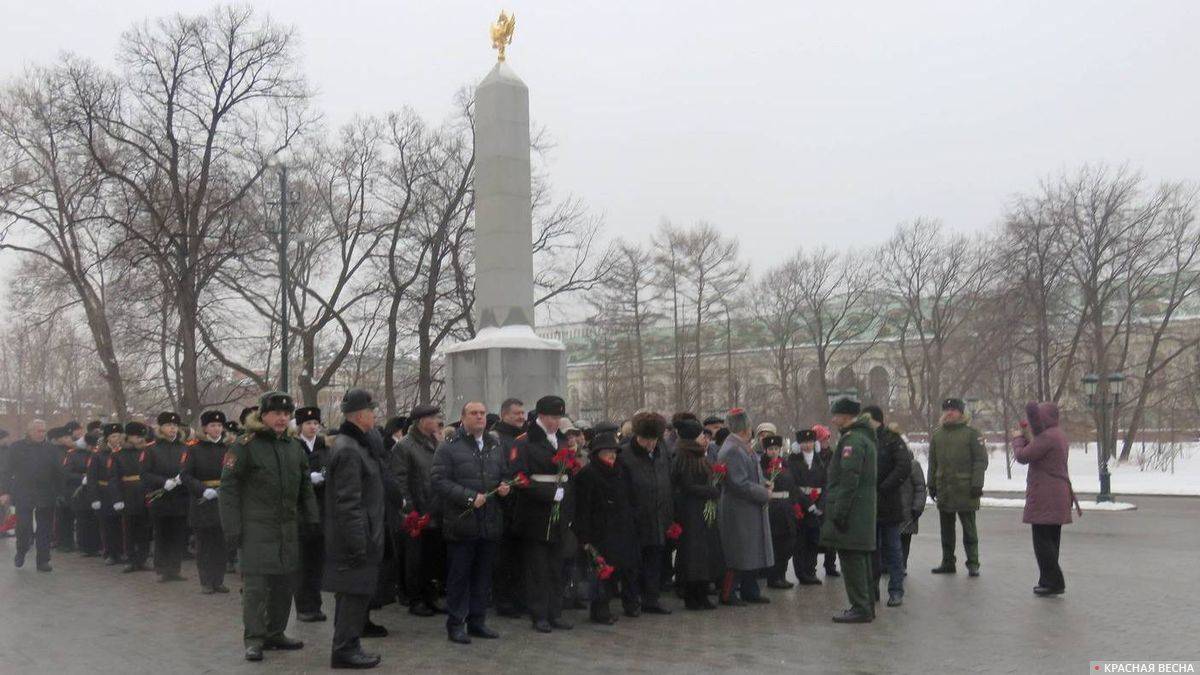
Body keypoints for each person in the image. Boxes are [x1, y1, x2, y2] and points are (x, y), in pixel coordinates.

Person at [220, 391, 319, 662]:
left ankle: (275, 633)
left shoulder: (293, 446)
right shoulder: (244, 445)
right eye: (276, 413)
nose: (282, 418)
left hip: (287, 529)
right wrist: (232, 528)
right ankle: (254, 638)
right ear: (263, 415)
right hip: (256, 529)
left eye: (286, 414)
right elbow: (228, 490)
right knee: (256, 588)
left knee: (284, 584)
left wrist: (311, 518)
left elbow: (305, 486)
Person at [430, 401, 508, 643]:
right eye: (474, 413)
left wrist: (505, 485)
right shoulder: (449, 447)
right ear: (463, 418)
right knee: (459, 577)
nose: (479, 417)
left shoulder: (495, 445)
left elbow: (503, 472)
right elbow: (439, 480)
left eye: (482, 413)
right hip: (462, 522)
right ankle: (456, 624)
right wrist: (468, 497)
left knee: (483, 576)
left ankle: (477, 621)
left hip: (489, 521)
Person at [322, 389, 386, 670]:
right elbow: (348, 503)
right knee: (353, 595)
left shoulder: (356, 444)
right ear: (361, 416)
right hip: (355, 538)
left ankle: (349, 644)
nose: (375, 415)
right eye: (372, 411)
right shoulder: (349, 449)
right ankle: (345, 649)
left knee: (354, 595)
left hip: (361, 533)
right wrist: (359, 543)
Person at [511, 395, 575, 633]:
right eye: (551, 417)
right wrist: (548, 494)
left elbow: (570, 475)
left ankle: (555, 612)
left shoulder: (562, 441)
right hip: (535, 514)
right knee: (538, 568)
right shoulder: (524, 442)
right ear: (540, 416)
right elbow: (519, 478)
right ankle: (539, 614)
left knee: (556, 566)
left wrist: (568, 504)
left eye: (558, 417)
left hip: (559, 513)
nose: (555, 422)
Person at [820, 398, 877, 624]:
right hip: (862, 510)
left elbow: (848, 479)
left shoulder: (852, 441)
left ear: (845, 416)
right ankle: (866, 605)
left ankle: (860, 606)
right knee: (861, 559)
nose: (833, 419)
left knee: (852, 560)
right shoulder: (865, 437)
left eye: (836, 415)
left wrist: (840, 512)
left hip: (852, 512)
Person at [573, 430, 640, 624]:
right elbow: (582, 508)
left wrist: (633, 516)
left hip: (623, 528)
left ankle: (626, 603)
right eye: (606, 451)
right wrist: (584, 538)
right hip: (599, 531)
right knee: (602, 572)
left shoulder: (622, 470)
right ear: (596, 454)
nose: (611, 455)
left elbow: (632, 496)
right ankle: (600, 610)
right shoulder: (588, 474)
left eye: (614, 451)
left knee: (623, 569)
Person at [1013, 401, 1074, 596]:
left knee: (1042, 541)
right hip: (1058, 494)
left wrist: (1017, 440)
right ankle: (1047, 580)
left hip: (1045, 495)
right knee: (1052, 540)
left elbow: (1023, 456)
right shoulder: (1058, 435)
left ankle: (1054, 581)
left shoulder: (1047, 437)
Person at [393, 403, 446, 617]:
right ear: (422, 421)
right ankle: (415, 599)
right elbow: (400, 481)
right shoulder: (405, 446)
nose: (437, 422)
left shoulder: (437, 442)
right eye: (433, 418)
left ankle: (430, 597)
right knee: (415, 558)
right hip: (417, 511)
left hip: (436, 509)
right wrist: (409, 510)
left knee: (432, 557)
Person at [717, 408, 773, 606]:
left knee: (750, 551)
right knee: (738, 553)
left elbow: (750, 475)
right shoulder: (732, 449)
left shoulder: (741, 446)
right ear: (745, 428)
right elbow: (738, 483)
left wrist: (764, 482)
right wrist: (763, 493)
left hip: (748, 508)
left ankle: (751, 590)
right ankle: (728, 593)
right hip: (738, 508)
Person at [928, 398, 988, 577]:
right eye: (946, 409)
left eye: (953, 409)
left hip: (966, 488)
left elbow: (980, 461)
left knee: (969, 529)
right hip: (944, 489)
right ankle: (947, 562)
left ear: (961, 412)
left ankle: (973, 563)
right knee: (946, 530)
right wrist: (931, 484)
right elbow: (933, 462)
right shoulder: (938, 435)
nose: (949, 413)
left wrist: (977, 484)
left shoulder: (972, 433)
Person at [622, 411, 673, 616]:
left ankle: (651, 599)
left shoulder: (662, 452)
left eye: (654, 440)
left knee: (654, 561)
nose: (650, 445)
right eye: (646, 440)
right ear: (637, 436)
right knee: (633, 564)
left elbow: (667, 483)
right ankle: (631, 601)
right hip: (635, 518)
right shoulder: (625, 455)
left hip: (659, 516)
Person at [670, 418, 723, 610]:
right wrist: (708, 491)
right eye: (701, 434)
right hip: (690, 511)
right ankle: (692, 595)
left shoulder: (698, 454)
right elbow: (685, 485)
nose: (704, 437)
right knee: (693, 555)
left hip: (702, 510)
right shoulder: (683, 456)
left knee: (704, 554)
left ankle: (701, 593)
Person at [863, 405, 912, 607]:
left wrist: (884, 487)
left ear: (876, 420)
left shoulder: (892, 439)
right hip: (869, 504)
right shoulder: (863, 438)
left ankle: (896, 590)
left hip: (889, 503)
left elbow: (904, 466)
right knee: (871, 550)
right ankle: (871, 589)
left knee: (893, 549)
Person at [181, 410, 230, 594]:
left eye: (219, 425)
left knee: (221, 544)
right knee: (204, 544)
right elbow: (185, 475)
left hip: (223, 500)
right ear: (205, 428)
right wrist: (203, 489)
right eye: (213, 425)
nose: (217, 429)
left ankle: (218, 580)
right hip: (202, 501)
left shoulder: (228, 448)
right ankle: (206, 581)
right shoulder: (194, 448)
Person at [0, 419, 59, 572]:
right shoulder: (17, 447)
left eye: (43, 431)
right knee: (23, 526)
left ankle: (43, 560)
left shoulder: (51, 448)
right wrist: (5, 491)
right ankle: (21, 550)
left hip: (46, 493)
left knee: (44, 529)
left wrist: (59, 491)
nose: (41, 434)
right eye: (38, 431)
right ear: (29, 431)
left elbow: (58, 471)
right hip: (23, 492)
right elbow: (6, 471)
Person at [142, 411, 191, 582]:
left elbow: (190, 469)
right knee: (162, 533)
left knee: (178, 534)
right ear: (160, 428)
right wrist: (163, 482)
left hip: (180, 497)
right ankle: (163, 569)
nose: (173, 429)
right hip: (160, 498)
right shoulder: (151, 449)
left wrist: (182, 479)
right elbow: (145, 474)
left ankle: (175, 568)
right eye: (169, 425)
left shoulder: (185, 448)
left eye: (175, 426)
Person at [491, 397, 527, 618]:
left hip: (522, 504)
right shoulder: (496, 439)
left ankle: (518, 597)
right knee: (504, 557)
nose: (521, 417)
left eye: (523, 413)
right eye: (517, 414)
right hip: (504, 505)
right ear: (505, 415)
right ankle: (503, 600)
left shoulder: (525, 438)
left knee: (520, 556)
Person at [294, 406, 329, 623]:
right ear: (300, 426)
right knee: (302, 562)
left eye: (315, 423)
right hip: (301, 511)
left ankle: (315, 604)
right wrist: (308, 478)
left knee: (317, 561)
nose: (313, 427)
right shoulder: (294, 447)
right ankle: (303, 606)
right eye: (308, 423)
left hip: (322, 510)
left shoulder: (324, 447)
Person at [110, 421, 152, 574]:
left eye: (141, 436)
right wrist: (117, 499)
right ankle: (130, 558)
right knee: (129, 528)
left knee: (145, 528)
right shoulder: (118, 455)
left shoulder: (147, 452)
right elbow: (114, 479)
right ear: (128, 437)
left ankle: (143, 558)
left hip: (145, 493)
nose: (140, 439)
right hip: (128, 494)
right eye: (136, 436)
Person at [788, 428, 826, 585]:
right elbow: (793, 485)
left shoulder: (819, 461)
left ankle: (811, 571)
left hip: (818, 505)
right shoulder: (793, 461)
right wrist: (807, 504)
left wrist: (822, 504)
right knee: (800, 541)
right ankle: (802, 573)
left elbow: (826, 483)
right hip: (801, 506)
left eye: (810, 442)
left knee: (814, 540)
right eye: (804, 442)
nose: (808, 445)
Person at [762, 434, 798, 590]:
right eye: (770, 449)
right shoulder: (762, 466)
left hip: (787, 507)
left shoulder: (785, 465)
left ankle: (782, 575)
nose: (774, 452)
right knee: (776, 544)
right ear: (765, 450)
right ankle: (773, 577)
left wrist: (796, 504)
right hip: (773, 508)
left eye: (776, 448)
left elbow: (793, 486)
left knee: (787, 544)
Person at [61, 425, 101, 557]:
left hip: (94, 490)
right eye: (91, 446)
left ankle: (96, 545)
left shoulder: (97, 454)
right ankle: (85, 546)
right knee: (83, 519)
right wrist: (82, 477)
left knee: (94, 519)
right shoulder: (73, 454)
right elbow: (66, 473)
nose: (93, 448)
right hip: (78, 491)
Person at [89, 423, 124, 565]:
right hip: (104, 493)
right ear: (107, 439)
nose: (117, 439)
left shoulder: (125, 452)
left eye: (119, 436)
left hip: (122, 492)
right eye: (114, 436)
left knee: (121, 524)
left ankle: (122, 551)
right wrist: (94, 497)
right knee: (108, 524)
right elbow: (92, 478)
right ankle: (110, 552)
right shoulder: (99, 455)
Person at [49, 426, 80, 553]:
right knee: (62, 517)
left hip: (72, 488)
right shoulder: (54, 452)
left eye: (70, 437)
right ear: (57, 439)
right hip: (59, 488)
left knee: (70, 515)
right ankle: (62, 542)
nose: (69, 439)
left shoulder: (71, 451)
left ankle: (69, 542)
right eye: (66, 437)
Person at [898, 452, 927, 568]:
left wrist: (918, 507)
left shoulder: (913, 465)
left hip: (908, 512)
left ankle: (902, 564)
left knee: (904, 539)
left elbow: (920, 488)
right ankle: (890, 564)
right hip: (892, 511)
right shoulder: (887, 464)